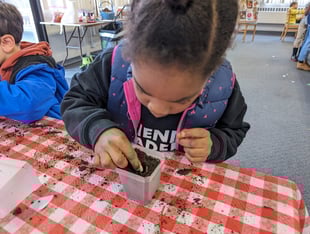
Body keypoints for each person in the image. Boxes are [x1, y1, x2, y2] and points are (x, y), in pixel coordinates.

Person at [61, 0, 250, 172]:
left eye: (181, 100)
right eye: (143, 90)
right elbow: (75, 101)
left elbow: (234, 130)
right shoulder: (112, 64)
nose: (157, 110)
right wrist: (97, 129)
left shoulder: (223, 85)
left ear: (211, 72)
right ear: (130, 57)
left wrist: (215, 144)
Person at [0, 2, 68, 123]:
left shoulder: (36, 67)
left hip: (54, 129)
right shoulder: (3, 61)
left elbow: (27, 104)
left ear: (6, 42)